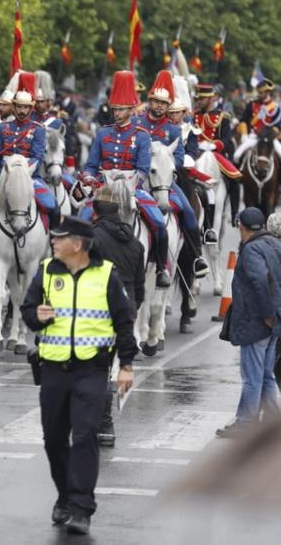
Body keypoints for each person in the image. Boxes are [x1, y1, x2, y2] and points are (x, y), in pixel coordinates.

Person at [20, 215, 138, 536]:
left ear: (78, 244)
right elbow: (28, 311)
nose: (53, 242)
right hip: (53, 370)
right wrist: (37, 317)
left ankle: (81, 507)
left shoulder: (106, 275)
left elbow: (124, 322)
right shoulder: (46, 270)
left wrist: (126, 365)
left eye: (59, 238)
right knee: (54, 439)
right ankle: (64, 496)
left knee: (85, 436)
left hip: (92, 370)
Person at [82, 70, 172, 288]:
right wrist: (88, 177)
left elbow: (142, 169)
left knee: (159, 224)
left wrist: (129, 182)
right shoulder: (103, 134)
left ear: (132, 110)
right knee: (82, 218)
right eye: (114, 109)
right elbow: (91, 166)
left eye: (121, 109)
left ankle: (161, 268)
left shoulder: (141, 135)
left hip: (132, 189)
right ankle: (78, 265)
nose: (116, 113)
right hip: (105, 189)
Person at [135, 71, 210, 278]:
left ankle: (196, 255)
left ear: (169, 105)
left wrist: (163, 161)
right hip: (137, 179)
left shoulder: (173, 130)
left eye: (163, 102)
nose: (159, 106)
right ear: (149, 101)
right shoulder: (137, 122)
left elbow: (179, 157)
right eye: (156, 101)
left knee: (188, 210)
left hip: (163, 181)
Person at [88, 187, 147, 449]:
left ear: (95, 211)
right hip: (126, 310)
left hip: (97, 310)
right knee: (110, 367)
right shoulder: (135, 243)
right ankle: (104, 424)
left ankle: (101, 423)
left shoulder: (91, 238)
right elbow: (141, 288)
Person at [0, 72, 55, 255]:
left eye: (26, 107)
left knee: (52, 204)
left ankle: (52, 242)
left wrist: (22, 171)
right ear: (14, 106)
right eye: (18, 106)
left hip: (30, 176)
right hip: (4, 175)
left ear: (31, 108)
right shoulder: (4, 127)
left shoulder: (38, 130)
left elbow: (37, 156)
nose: (22, 111)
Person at [217, 207, 281, 437]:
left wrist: (266, 314)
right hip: (274, 322)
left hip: (258, 322)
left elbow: (260, 282)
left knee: (252, 377)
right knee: (266, 375)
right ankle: (273, 421)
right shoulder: (274, 244)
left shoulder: (252, 250)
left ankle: (245, 424)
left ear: (241, 227)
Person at [193, 81, 240, 238]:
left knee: (234, 176)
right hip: (196, 153)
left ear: (211, 99)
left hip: (215, 153)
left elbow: (227, 140)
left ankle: (234, 213)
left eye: (202, 98)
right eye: (198, 98)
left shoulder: (222, 117)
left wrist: (214, 145)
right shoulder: (194, 115)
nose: (198, 101)